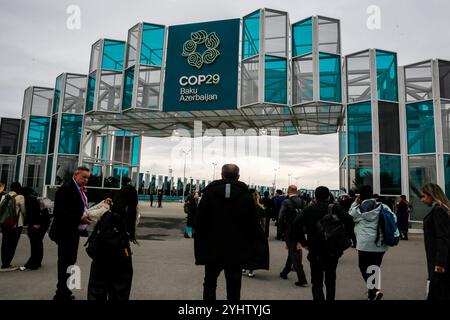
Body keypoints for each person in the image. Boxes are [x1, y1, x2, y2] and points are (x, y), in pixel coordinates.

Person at [194, 164, 260, 300]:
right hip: (237, 250)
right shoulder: (247, 196)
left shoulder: (209, 194)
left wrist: (202, 245)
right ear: (238, 177)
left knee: (210, 283)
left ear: (221, 175)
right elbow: (253, 225)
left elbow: (199, 222)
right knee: (234, 285)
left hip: (213, 248)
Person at [293, 187, 353, 300]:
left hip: (315, 248)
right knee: (331, 279)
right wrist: (345, 237)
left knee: (316, 282)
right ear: (328, 196)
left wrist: (303, 242)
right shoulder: (335, 208)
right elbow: (350, 220)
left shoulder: (309, 209)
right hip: (332, 248)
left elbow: (296, 225)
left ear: (315, 196)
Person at [87, 177, 138, 300]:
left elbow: (88, 213)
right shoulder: (132, 215)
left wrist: (103, 204)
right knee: (120, 289)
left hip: (102, 255)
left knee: (97, 287)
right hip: (121, 254)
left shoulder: (107, 210)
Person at [50, 167, 92, 300]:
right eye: (83, 177)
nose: (85, 180)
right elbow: (59, 212)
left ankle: (65, 292)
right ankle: (60, 294)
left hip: (73, 232)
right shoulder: (66, 188)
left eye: (87, 178)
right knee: (64, 263)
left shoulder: (78, 189)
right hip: (65, 232)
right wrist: (79, 218)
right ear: (75, 175)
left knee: (70, 262)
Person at [349, 185, 394, 300]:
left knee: (363, 266)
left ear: (360, 196)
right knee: (375, 267)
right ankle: (373, 293)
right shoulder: (383, 206)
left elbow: (350, 217)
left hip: (365, 243)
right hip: (380, 243)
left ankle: (374, 290)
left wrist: (354, 203)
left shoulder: (358, 209)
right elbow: (393, 218)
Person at [421, 183, 450, 300]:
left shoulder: (438, 210)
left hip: (439, 260)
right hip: (439, 258)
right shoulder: (442, 209)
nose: (422, 199)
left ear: (431, 195)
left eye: (423, 196)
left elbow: (443, 237)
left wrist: (439, 263)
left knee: (438, 291)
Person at [278, 185, 308, 287]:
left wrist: (282, 231)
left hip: (290, 230)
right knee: (292, 251)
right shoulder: (303, 202)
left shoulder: (286, 202)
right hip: (301, 230)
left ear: (288, 191)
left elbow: (280, 217)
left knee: (293, 252)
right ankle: (284, 272)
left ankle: (302, 278)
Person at [20, 187, 51, 271]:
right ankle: (37, 261)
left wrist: (35, 223)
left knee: (35, 243)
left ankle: (32, 264)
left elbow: (33, 212)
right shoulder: (36, 196)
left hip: (36, 223)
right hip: (44, 222)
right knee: (38, 242)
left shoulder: (29, 199)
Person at [0, 182, 26, 272]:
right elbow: (23, 210)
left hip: (5, 224)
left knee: (5, 243)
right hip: (16, 225)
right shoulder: (20, 197)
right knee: (12, 244)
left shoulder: (4, 196)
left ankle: (4, 263)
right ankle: (7, 265)